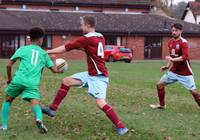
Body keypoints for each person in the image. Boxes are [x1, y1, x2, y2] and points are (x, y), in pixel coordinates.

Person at [42, 15, 128, 135]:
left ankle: (121, 127)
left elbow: (66, 48)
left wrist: (47, 51)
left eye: (82, 24)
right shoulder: (100, 36)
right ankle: (52, 109)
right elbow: (91, 49)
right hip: (91, 74)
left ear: (87, 25)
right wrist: (80, 48)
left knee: (100, 102)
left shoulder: (86, 38)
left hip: (99, 77)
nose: (80, 26)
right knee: (66, 81)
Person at [0, 27, 60, 133]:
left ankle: (4, 126)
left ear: (29, 38)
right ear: (40, 40)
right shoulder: (44, 54)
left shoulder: (22, 49)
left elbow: (8, 65)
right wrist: (54, 60)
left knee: (8, 100)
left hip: (18, 80)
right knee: (34, 102)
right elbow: (55, 70)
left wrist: (9, 79)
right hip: (32, 83)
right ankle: (39, 119)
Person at [150, 23, 200, 109]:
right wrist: (167, 66)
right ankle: (162, 105)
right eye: (172, 30)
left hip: (185, 73)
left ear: (180, 31)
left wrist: (173, 60)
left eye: (176, 30)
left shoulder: (184, 42)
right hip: (174, 71)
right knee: (159, 85)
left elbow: (185, 57)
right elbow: (172, 57)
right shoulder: (170, 42)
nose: (174, 32)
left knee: (194, 92)